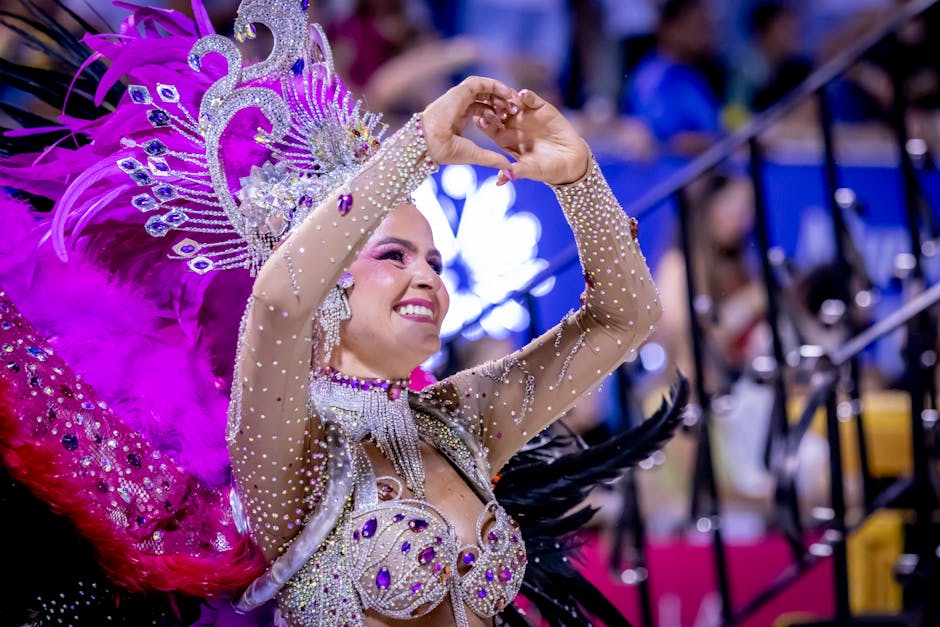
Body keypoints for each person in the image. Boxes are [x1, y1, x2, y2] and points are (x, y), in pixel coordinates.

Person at [0, 1, 676, 625]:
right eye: (394, 254)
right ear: (327, 282)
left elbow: (623, 319)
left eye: (436, 263)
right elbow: (277, 303)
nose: (426, 276)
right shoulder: (286, 447)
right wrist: (415, 150)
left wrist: (578, 176)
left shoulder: (461, 423)